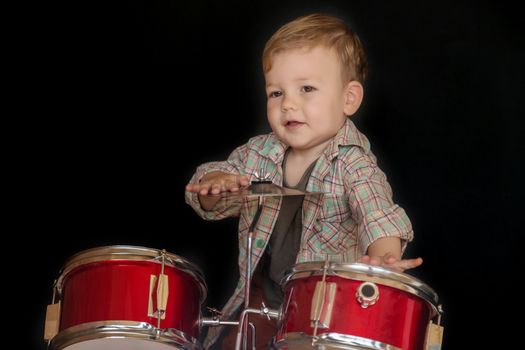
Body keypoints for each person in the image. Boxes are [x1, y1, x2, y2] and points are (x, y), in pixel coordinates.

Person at [185, 13, 423, 349]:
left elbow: (378, 215)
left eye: (306, 89)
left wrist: (384, 260)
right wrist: (214, 185)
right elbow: (210, 201)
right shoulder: (260, 152)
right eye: (276, 93)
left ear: (349, 99)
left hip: (323, 311)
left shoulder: (354, 164)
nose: (289, 104)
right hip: (259, 305)